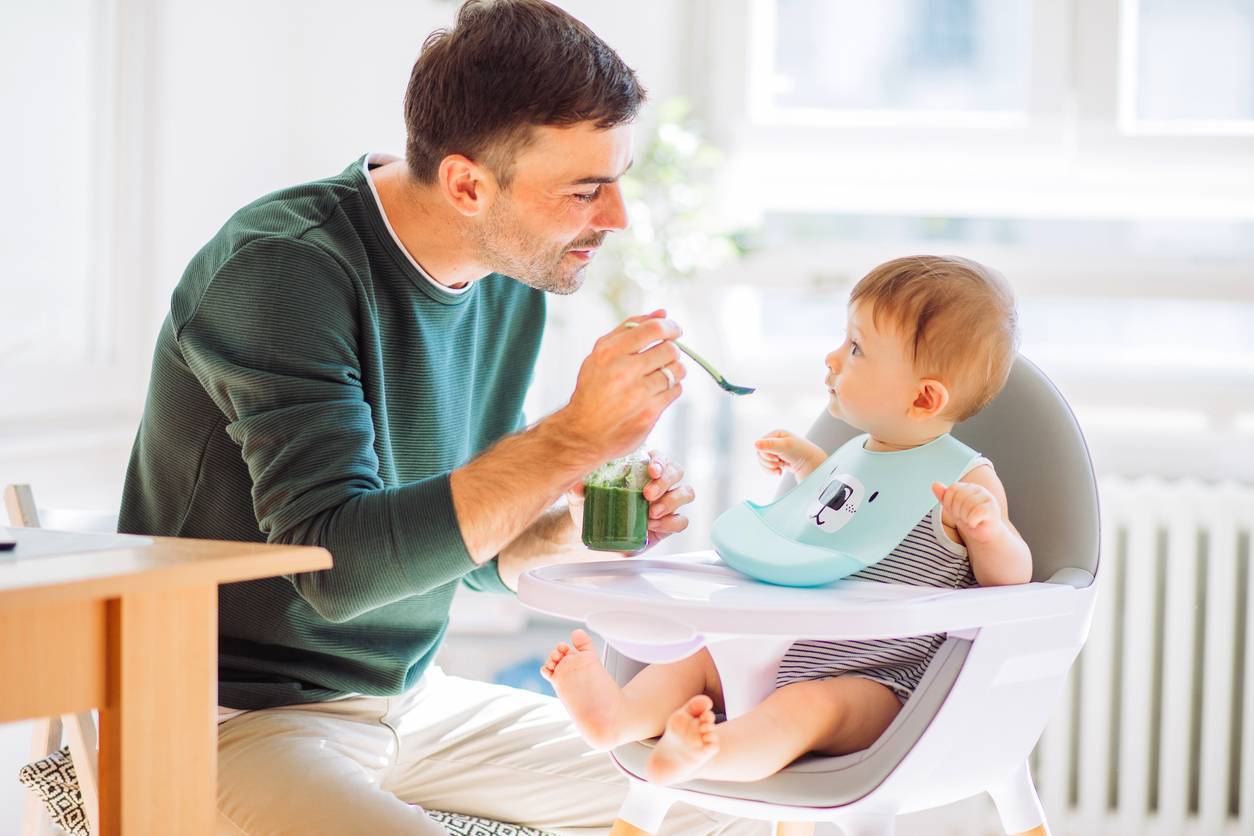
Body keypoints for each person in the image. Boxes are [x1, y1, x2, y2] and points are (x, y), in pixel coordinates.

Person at [119, 1, 753, 833]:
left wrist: (582, 525)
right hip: (232, 716)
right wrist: (571, 437)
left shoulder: (505, 280)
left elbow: (472, 558)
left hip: (411, 703)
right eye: (585, 190)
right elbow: (337, 571)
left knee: (721, 795)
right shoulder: (283, 271)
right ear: (466, 184)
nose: (616, 218)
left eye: (619, 180)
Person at [543, 255, 1033, 787]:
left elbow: (1010, 582)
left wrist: (989, 531)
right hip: (788, 643)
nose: (833, 357)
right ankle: (615, 717)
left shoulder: (966, 481)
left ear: (923, 397)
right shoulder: (856, 453)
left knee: (806, 709)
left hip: (879, 681)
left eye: (856, 348)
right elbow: (846, 515)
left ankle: (710, 753)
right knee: (702, 661)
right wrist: (810, 468)